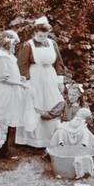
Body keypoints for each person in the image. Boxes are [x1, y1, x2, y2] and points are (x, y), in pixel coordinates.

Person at [15, 16, 67, 148]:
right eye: (40, 35)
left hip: (50, 77)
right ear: (35, 33)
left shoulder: (52, 43)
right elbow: (22, 65)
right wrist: (26, 82)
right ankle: (33, 140)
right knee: (35, 104)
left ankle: (51, 138)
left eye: (45, 35)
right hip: (35, 78)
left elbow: (59, 63)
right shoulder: (28, 45)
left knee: (52, 102)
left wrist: (60, 81)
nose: (43, 38)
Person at [0, 30, 33, 157]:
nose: (15, 46)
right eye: (14, 44)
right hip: (3, 92)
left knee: (9, 118)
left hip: (9, 91)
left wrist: (20, 78)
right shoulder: (0, 55)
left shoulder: (8, 55)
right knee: (3, 119)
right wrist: (20, 84)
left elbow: (10, 73)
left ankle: (4, 148)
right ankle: (1, 149)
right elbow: (3, 78)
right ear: (7, 41)